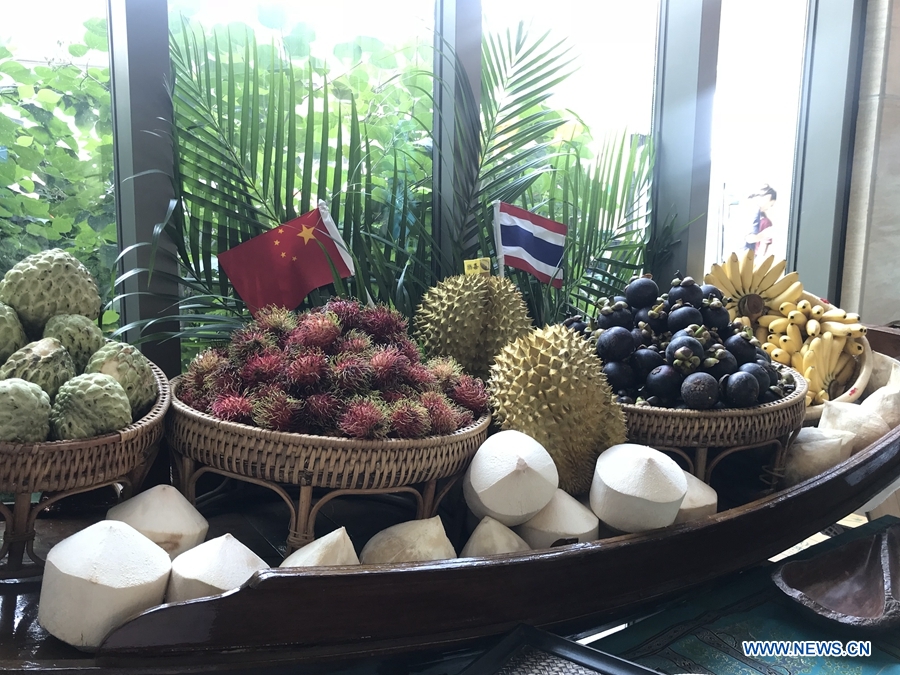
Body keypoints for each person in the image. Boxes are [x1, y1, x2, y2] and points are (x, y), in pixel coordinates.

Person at [744, 185, 777, 257]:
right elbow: (749, 238)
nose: (768, 208)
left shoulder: (747, 206)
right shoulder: (754, 209)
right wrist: (766, 233)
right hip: (744, 255)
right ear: (768, 197)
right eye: (771, 205)